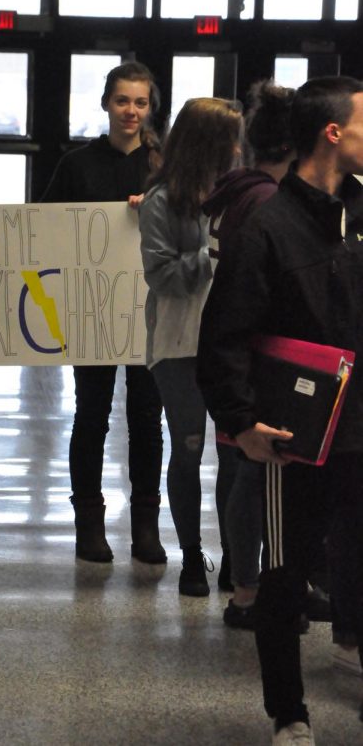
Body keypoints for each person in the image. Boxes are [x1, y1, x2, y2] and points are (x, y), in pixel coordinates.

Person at [197, 76, 363, 745]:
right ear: (334, 133)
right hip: (295, 437)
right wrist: (241, 423)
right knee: (287, 574)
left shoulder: (360, 212)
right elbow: (223, 338)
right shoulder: (268, 226)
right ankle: (288, 714)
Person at [39, 61, 167, 565]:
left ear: (150, 107)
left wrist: (152, 211)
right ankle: (88, 524)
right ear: (106, 105)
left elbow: (186, 228)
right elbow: (41, 225)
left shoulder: (164, 167)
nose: (131, 111)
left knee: (147, 421)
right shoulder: (77, 164)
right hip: (91, 311)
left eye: (140, 102)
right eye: (122, 101)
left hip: (149, 313)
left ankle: (145, 527)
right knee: (91, 416)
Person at [202, 80, 300, 620]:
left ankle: (246, 581)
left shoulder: (237, 190)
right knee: (252, 472)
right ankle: (246, 586)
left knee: (244, 469)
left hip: (240, 354)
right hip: (257, 355)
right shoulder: (265, 199)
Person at [138, 96, 243, 596]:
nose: (240, 149)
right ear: (211, 144)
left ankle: (236, 559)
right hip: (178, 344)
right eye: (232, 139)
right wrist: (213, 250)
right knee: (188, 451)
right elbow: (162, 276)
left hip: (229, 344)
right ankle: (191, 559)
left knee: (236, 453)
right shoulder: (162, 201)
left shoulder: (241, 195)